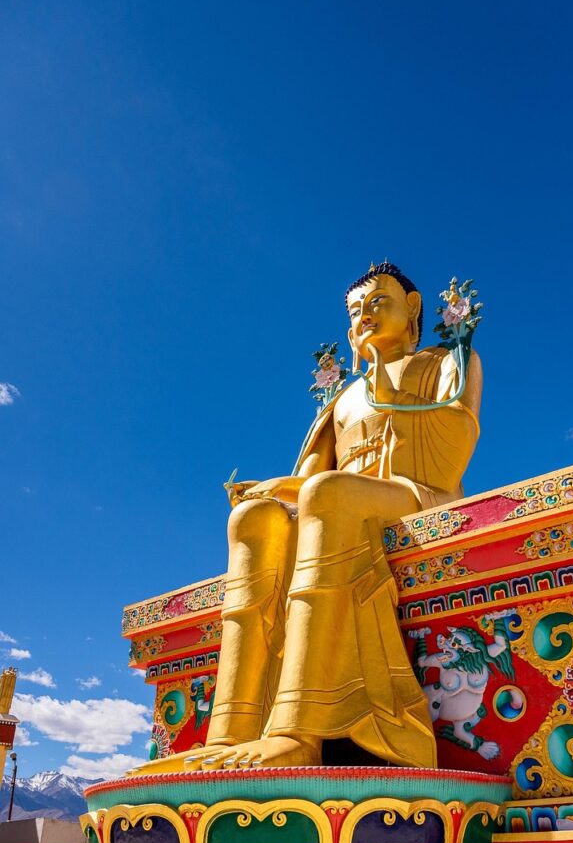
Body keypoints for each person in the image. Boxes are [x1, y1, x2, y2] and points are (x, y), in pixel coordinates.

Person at [131, 262, 482, 774]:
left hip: (417, 493)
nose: (364, 315)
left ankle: (297, 729)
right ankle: (231, 730)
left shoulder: (446, 363)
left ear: (412, 307)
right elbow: (313, 479)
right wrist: (272, 488)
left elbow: (451, 449)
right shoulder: (344, 397)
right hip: (338, 502)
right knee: (253, 520)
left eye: (378, 302)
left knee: (330, 494)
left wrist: (381, 371)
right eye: (356, 310)